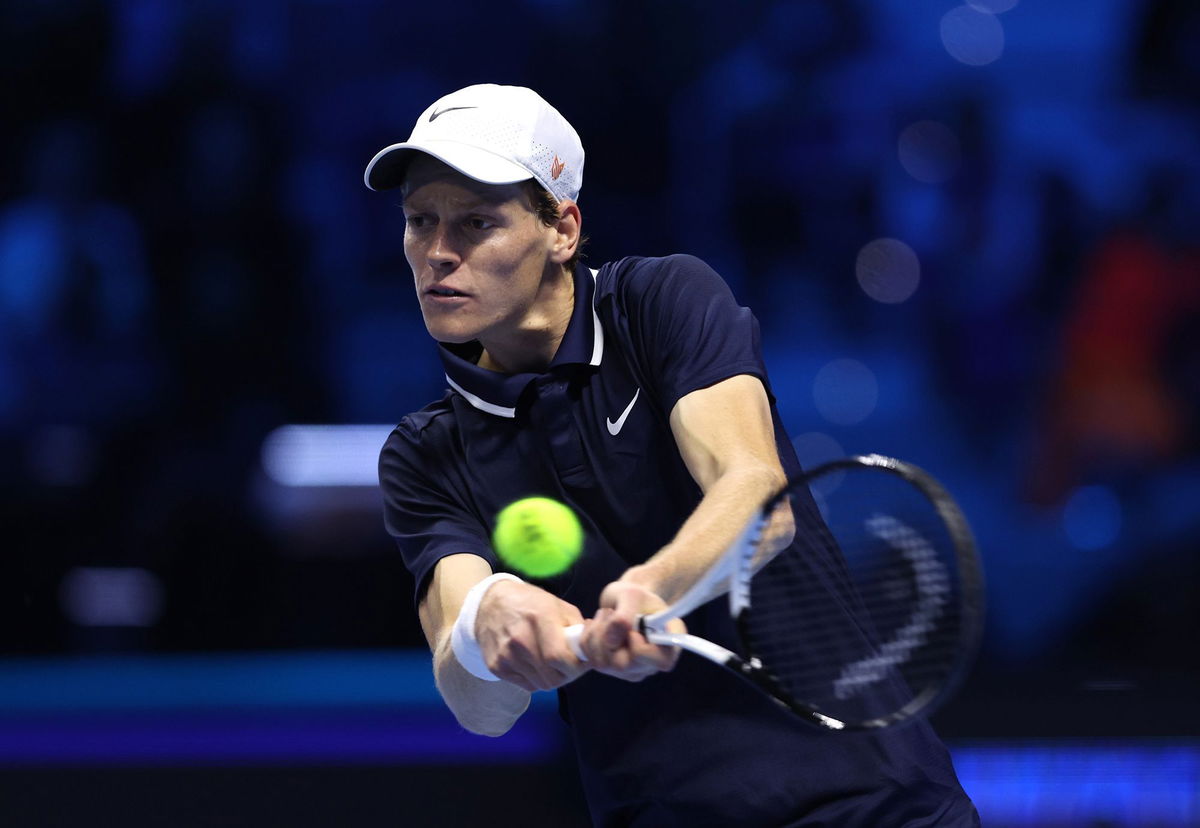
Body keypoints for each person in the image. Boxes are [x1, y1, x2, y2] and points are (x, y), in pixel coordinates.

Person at [367, 83, 979, 826]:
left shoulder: (662, 302)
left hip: (870, 803)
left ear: (562, 229)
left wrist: (652, 588)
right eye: (419, 221)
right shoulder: (424, 453)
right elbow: (480, 707)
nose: (436, 253)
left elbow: (757, 492)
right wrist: (487, 623)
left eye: (476, 222)